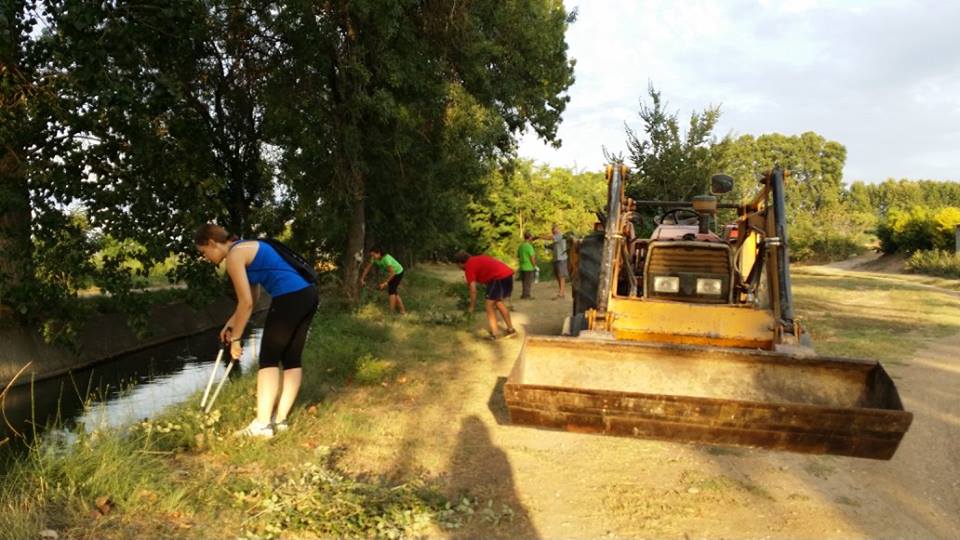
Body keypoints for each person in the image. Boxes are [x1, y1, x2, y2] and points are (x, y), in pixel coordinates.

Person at [194, 224, 318, 438]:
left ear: (212, 243)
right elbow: (253, 298)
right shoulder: (246, 247)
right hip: (308, 295)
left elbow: (247, 304)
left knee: (268, 359)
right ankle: (280, 421)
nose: (205, 257)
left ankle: (262, 425)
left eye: (204, 252)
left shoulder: (234, 257)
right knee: (291, 359)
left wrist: (236, 339)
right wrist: (230, 324)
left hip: (289, 297)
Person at [453, 251, 517, 340]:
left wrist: (471, 306)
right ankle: (511, 330)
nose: (458, 268)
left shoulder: (469, 267)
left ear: (460, 263)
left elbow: (473, 290)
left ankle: (495, 334)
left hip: (498, 278)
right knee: (498, 302)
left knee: (489, 305)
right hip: (507, 275)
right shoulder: (478, 258)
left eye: (457, 265)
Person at [359, 247, 407, 315]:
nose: (372, 257)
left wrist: (385, 283)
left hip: (398, 272)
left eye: (373, 255)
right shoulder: (374, 259)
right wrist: (362, 279)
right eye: (371, 255)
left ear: (378, 253)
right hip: (393, 273)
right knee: (393, 291)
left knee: (392, 291)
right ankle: (403, 311)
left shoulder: (386, 259)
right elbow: (367, 268)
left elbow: (392, 273)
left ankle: (391, 312)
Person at [540, 224, 569, 299]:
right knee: (558, 276)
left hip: (562, 259)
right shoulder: (556, 238)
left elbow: (550, 238)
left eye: (555, 230)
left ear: (558, 229)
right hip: (556, 259)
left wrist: (539, 237)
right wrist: (546, 246)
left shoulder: (560, 235)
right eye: (553, 231)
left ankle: (561, 293)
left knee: (561, 276)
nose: (554, 231)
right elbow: (552, 246)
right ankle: (561, 292)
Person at [516, 232, 537, 299]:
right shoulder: (529, 246)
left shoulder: (521, 246)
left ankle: (524, 294)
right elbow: (532, 257)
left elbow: (518, 256)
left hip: (522, 266)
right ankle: (527, 295)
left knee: (524, 281)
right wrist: (534, 265)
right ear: (530, 237)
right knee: (528, 282)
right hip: (528, 266)